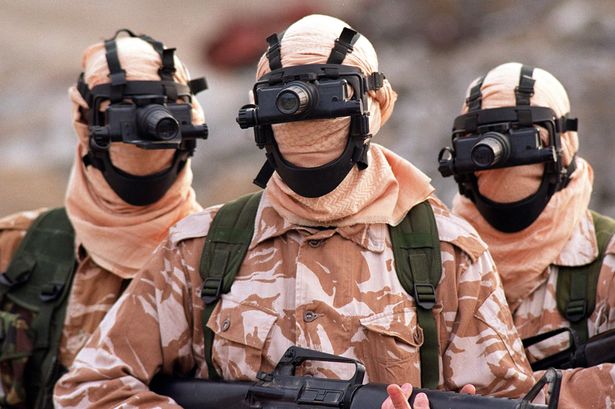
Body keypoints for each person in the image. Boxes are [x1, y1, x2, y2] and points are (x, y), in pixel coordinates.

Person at [54, 16, 535, 409]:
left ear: (375, 107)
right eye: (286, 110)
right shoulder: (199, 249)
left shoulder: (449, 254)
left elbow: (508, 402)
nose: (306, 131)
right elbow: (89, 386)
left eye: (327, 106)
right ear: (261, 120)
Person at [0, 30, 207, 408]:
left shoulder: (220, 259)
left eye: (163, 109)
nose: (143, 130)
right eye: (122, 112)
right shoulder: (15, 246)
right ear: (84, 122)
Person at [445, 62, 615, 408]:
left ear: (564, 145)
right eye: (479, 142)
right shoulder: (438, 259)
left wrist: (528, 397)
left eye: (524, 141)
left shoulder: (606, 258)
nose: (501, 161)